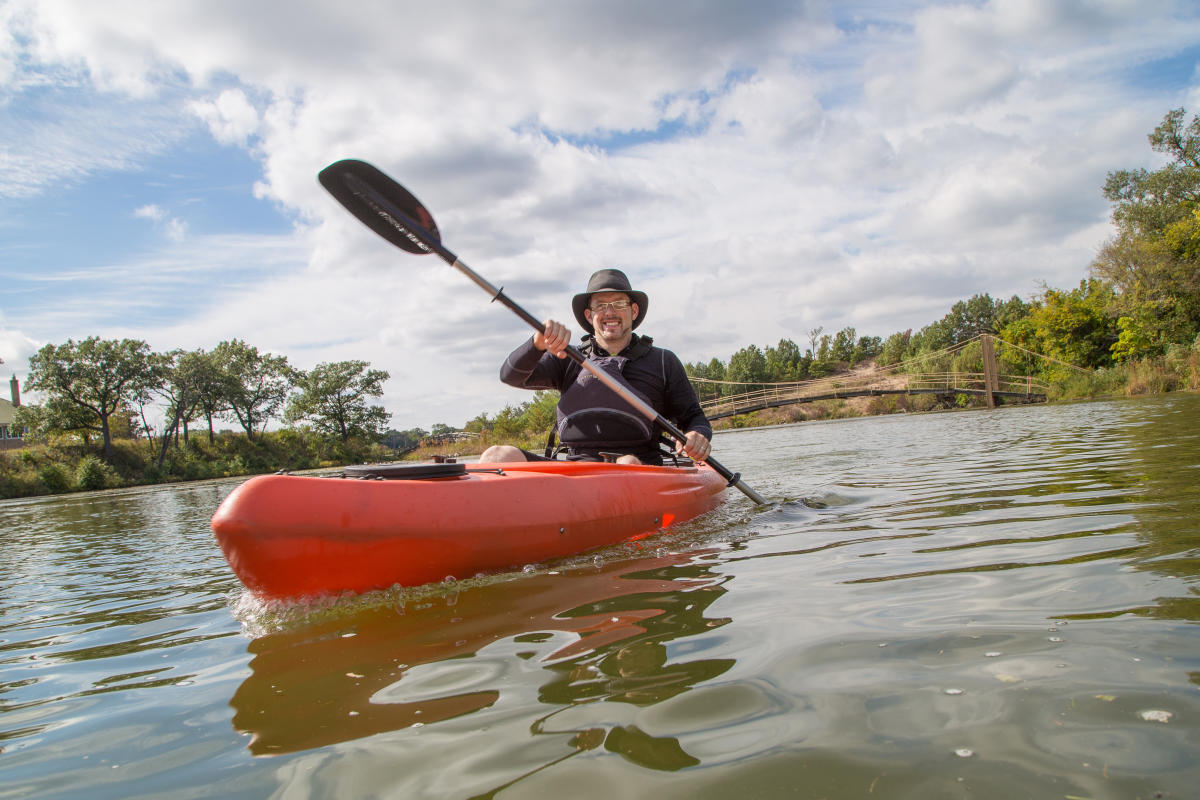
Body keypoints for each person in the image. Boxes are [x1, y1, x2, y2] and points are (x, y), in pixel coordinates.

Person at [479, 268, 713, 465]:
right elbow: (510, 376)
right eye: (601, 306)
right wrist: (536, 343)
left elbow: (694, 417)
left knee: (626, 464)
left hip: (639, 469)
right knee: (496, 456)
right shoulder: (568, 356)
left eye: (618, 303)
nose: (609, 312)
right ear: (590, 316)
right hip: (575, 470)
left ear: (633, 311)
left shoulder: (663, 361)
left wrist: (697, 435)